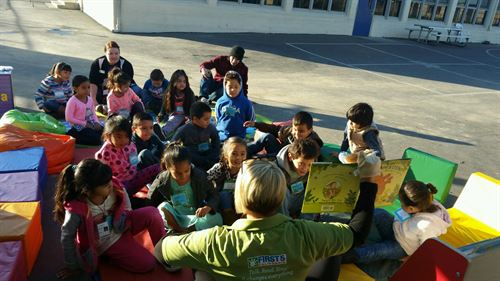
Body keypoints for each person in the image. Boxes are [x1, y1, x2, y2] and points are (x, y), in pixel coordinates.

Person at [153, 157, 380, 281]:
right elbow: (356, 233)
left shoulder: (214, 241)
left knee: (202, 271)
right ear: (281, 194)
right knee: (332, 252)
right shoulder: (306, 234)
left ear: (239, 194)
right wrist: (368, 181)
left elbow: (161, 252)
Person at [53, 159, 165, 279]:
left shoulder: (113, 185)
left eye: (110, 180)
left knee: (152, 212)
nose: (111, 184)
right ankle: (111, 257)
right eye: (106, 185)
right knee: (148, 264)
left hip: (122, 224)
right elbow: (67, 237)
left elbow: (125, 200)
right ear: (87, 189)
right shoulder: (77, 208)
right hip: (108, 241)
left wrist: (126, 216)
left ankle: (164, 250)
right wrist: (72, 266)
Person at [342, 181, 451, 272]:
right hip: (398, 229)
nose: (400, 205)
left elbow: (427, 248)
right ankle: (346, 231)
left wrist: (410, 258)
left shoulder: (426, 226)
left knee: (376, 251)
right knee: (379, 213)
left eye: (402, 204)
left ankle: (342, 257)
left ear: (411, 209)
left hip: (403, 246)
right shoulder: (426, 199)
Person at [148, 142, 222, 233]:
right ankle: (179, 230)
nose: (183, 176)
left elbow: (214, 195)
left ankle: (186, 231)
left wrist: (208, 207)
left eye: (187, 171)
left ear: (190, 165)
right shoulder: (162, 180)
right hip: (175, 217)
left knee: (217, 218)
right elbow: (150, 200)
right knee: (162, 208)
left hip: (196, 218)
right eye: (178, 173)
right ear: (168, 167)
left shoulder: (199, 176)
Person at [95, 115, 160, 197]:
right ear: (108, 136)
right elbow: (103, 180)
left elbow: (134, 163)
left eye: (126, 136)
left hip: (134, 177)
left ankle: (157, 194)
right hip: (119, 186)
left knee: (158, 168)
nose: (123, 140)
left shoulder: (130, 145)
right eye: (119, 137)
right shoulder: (103, 154)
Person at [244, 111, 324, 156]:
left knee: (266, 157)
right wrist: (256, 124)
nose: (296, 133)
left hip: (289, 161)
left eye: (301, 131)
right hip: (280, 152)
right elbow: (275, 129)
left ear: (310, 130)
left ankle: (261, 158)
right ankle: (243, 152)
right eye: (295, 129)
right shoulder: (289, 131)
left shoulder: (312, 144)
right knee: (267, 136)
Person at [207, 136, 247, 225]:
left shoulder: (246, 170)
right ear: (226, 155)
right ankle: (229, 218)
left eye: (242, 154)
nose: (238, 158)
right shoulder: (220, 168)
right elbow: (205, 179)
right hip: (221, 202)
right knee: (224, 195)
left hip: (240, 201)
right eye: (234, 154)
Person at [276, 138, 320, 219]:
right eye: (301, 164)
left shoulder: (312, 167)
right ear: (290, 157)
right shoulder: (276, 169)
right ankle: (285, 222)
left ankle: (304, 223)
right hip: (281, 208)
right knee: (280, 188)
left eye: (310, 165)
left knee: (317, 188)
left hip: (298, 201)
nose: (305, 168)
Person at [89, 41, 140, 107]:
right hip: (101, 88)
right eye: (110, 54)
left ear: (119, 53)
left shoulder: (126, 65)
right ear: (105, 53)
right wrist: (94, 101)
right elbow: (93, 83)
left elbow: (127, 84)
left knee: (139, 91)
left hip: (122, 88)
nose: (114, 56)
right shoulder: (97, 64)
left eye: (116, 54)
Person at [172, 102, 220, 171]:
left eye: (209, 119)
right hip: (193, 157)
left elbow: (216, 140)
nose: (208, 121)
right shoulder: (184, 129)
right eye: (205, 119)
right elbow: (172, 145)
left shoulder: (210, 127)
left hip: (208, 154)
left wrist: (214, 154)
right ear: (195, 119)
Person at [155, 69, 195, 141]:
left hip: (187, 115)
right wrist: (161, 113)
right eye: (179, 81)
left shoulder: (189, 93)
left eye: (184, 81)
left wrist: (191, 117)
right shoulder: (169, 93)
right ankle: (162, 133)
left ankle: (164, 132)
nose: (182, 83)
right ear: (174, 82)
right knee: (172, 121)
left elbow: (193, 107)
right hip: (174, 114)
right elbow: (164, 104)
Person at [215, 70, 255, 142]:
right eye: (230, 87)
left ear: (240, 86)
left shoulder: (246, 103)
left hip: (239, 138)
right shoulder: (219, 102)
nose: (233, 89)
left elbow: (251, 121)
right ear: (225, 86)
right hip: (222, 137)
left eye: (236, 87)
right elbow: (218, 119)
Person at [65, 75, 103, 145]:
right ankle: (73, 135)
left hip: (90, 123)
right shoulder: (72, 101)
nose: (87, 90)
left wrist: (97, 122)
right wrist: (85, 124)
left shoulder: (90, 99)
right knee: (96, 140)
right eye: (83, 88)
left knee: (105, 132)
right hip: (78, 127)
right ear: (75, 89)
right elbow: (68, 118)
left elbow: (93, 113)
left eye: (88, 87)